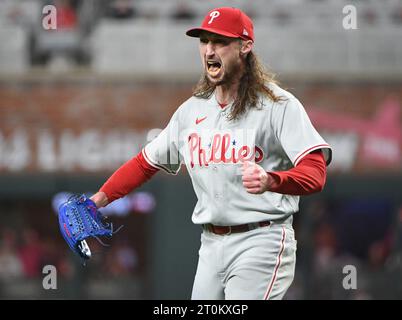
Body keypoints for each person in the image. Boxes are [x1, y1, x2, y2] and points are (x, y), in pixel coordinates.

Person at [90, 7, 332, 300]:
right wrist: (97, 201)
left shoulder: (278, 105)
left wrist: (272, 180)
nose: (209, 50)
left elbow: (316, 173)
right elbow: (145, 163)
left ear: (245, 46)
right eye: (204, 41)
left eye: (220, 42)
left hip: (262, 239)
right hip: (210, 244)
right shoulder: (192, 110)